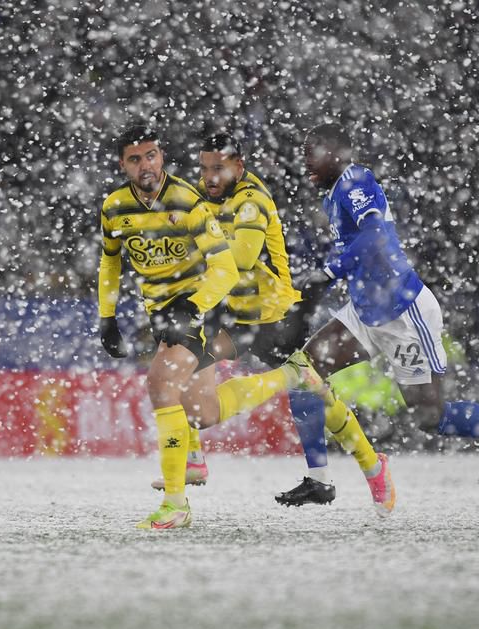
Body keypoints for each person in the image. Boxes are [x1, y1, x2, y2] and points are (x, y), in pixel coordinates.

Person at [297, 123, 479, 473]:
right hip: (365, 311)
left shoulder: (354, 180)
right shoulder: (334, 193)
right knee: (304, 370)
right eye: (304, 151)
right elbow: (362, 248)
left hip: (404, 313)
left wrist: (330, 273)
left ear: (338, 153)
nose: (305, 159)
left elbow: (375, 236)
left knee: (430, 418)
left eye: (313, 150)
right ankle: (319, 477)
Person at [152, 132, 393, 514]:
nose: (209, 177)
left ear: (239, 167)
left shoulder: (252, 201)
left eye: (219, 168)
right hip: (237, 315)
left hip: (276, 317)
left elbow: (241, 260)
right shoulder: (204, 194)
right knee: (185, 364)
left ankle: (371, 464)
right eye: (204, 168)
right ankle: (195, 459)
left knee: (313, 393)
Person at [98, 124, 313, 529]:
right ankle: (288, 375)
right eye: (135, 159)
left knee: (160, 385)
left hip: (200, 310)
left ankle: (176, 504)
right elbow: (111, 261)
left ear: (161, 156)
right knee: (202, 412)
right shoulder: (114, 208)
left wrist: (193, 305)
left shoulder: (188, 200)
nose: (145, 165)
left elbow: (225, 266)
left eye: (151, 156)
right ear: (123, 164)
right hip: (162, 314)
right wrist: (106, 316)